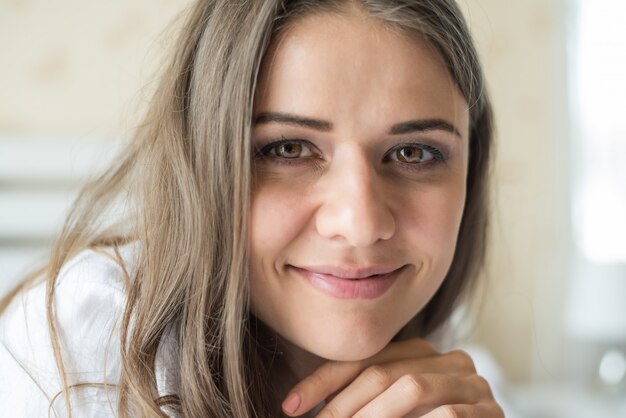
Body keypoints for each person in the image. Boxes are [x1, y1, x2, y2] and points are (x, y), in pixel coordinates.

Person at [0, 0, 503, 417]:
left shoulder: (443, 368)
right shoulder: (88, 337)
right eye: (288, 149)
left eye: (414, 153)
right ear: (204, 163)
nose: (361, 224)